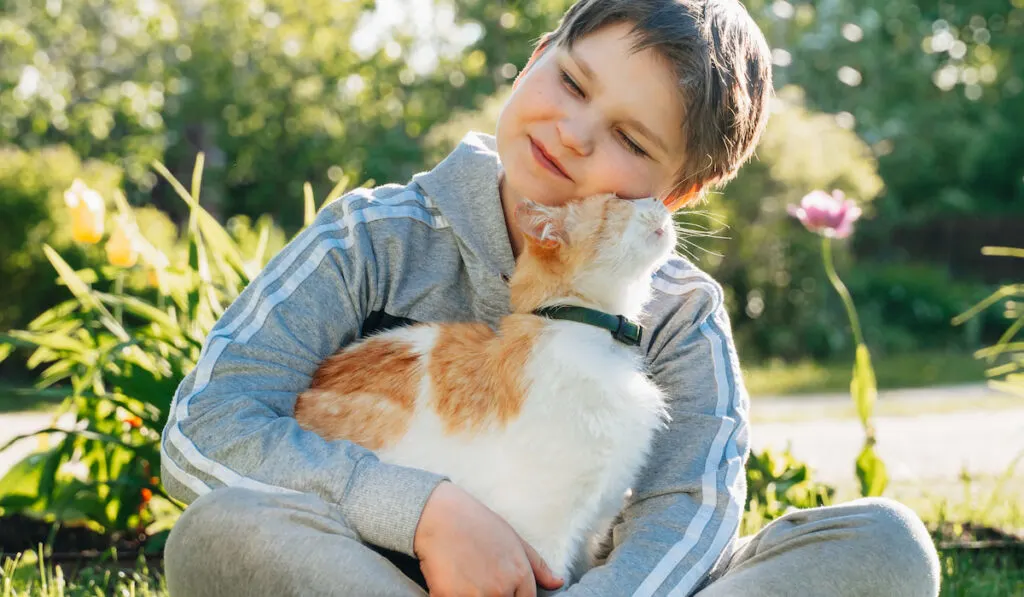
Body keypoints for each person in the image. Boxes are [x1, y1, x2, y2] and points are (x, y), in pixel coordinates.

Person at [160, 1, 941, 595]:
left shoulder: (680, 311)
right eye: (571, 81)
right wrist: (426, 511)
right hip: (380, 572)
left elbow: (691, 503)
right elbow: (205, 431)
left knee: (885, 544)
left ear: (679, 193)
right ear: (537, 55)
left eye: (632, 141)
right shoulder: (371, 238)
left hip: (592, 583)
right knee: (221, 534)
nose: (573, 132)